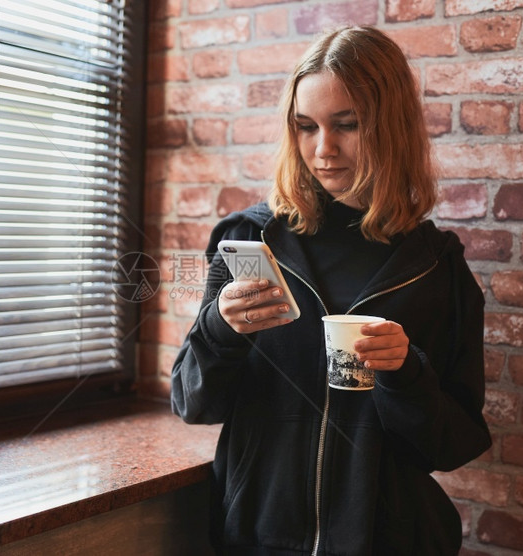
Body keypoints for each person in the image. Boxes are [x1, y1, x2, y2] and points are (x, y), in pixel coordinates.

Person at [170, 26, 491, 555]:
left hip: (388, 539)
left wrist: (406, 373)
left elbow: (453, 443)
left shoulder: (435, 267)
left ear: (391, 127)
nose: (324, 150)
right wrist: (219, 329)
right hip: (257, 534)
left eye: (348, 124)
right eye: (305, 126)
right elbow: (193, 402)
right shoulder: (248, 241)